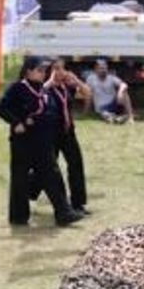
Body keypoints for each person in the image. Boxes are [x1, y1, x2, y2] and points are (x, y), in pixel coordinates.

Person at [0, 56, 83, 227]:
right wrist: (17, 122)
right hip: (23, 142)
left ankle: (63, 212)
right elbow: (1, 107)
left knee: (52, 175)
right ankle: (19, 217)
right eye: (39, 70)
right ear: (28, 71)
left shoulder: (43, 89)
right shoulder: (18, 88)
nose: (43, 74)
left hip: (43, 141)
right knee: (20, 178)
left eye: (44, 71)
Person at [47, 60, 90, 215]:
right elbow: (38, 96)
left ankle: (78, 203)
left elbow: (87, 93)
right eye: (56, 68)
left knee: (76, 164)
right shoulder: (46, 88)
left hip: (68, 132)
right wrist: (50, 82)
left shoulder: (66, 87)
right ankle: (31, 190)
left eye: (63, 68)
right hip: (51, 134)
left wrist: (76, 80)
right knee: (49, 169)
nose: (60, 71)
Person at [83, 59, 135, 124]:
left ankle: (130, 117)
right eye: (101, 68)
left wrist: (120, 92)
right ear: (95, 70)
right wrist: (86, 112)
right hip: (102, 108)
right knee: (105, 115)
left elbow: (124, 85)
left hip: (113, 104)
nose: (103, 70)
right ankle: (118, 118)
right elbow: (88, 94)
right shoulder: (91, 79)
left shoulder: (111, 78)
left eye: (105, 68)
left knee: (125, 92)